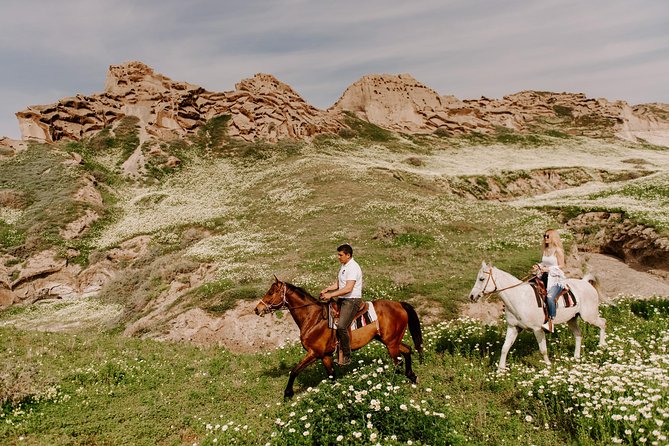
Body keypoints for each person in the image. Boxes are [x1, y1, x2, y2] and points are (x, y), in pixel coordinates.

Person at [319, 243, 363, 366]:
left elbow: (348, 288)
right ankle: (333, 348)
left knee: (342, 326)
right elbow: (339, 284)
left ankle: (347, 355)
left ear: (348, 255)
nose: (338, 257)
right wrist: (327, 289)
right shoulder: (344, 266)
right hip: (343, 299)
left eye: (340, 255)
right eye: (338, 255)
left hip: (351, 300)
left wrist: (331, 295)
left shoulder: (353, 267)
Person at [537, 229, 566, 333]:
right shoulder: (545, 250)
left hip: (555, 278)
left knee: (550, 297)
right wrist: (538, 266)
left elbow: (562, 265)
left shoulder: (557, 250)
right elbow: (544, 263)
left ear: (553, 237)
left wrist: (549, 269)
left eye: (548, 236)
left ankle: (551, 321)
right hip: (544, 276)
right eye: (544, 236)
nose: (545, 238)